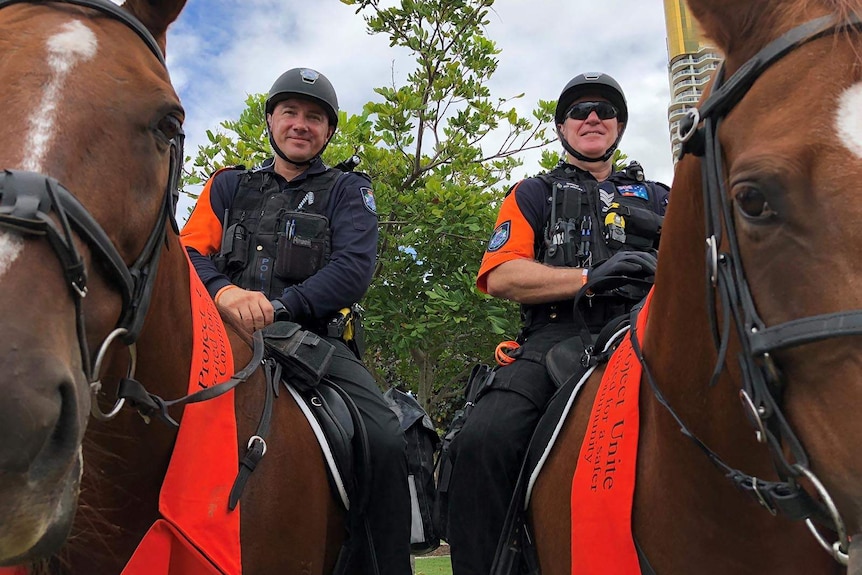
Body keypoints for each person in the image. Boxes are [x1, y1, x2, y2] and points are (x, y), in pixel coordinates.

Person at [180, 67, 411, 574]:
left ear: (328, 131)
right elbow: (189, 252)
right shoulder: (227, 185)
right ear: (271, 120)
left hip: (314, 344)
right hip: (218, 337)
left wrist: (279, 307)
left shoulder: (349, 190)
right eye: (290, 112)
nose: (300, 124)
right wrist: (225, 292)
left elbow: (352, 269)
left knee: (386, 440)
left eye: (314, 117)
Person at [445, 72, 669, 574]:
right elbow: (502, 275)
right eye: (580, 111)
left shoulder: (659, 196)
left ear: (620, 126)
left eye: (605, 110)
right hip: (556, 337)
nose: (593, 117)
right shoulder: (531, 193)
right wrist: (590, 276)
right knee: (483, 439)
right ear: (562, 127)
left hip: (645, 332)